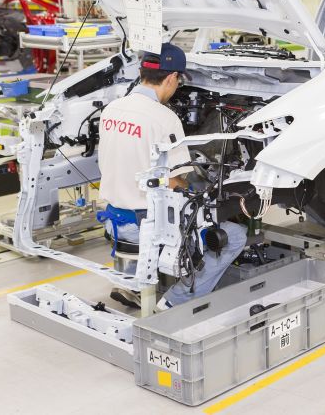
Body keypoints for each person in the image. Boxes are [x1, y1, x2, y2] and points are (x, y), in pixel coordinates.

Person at [97, 43, 247, 310]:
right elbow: (178, 182)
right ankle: (174, 302)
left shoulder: (112, 109)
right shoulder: (164, 119)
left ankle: (133, 283)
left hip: (113, 222)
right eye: (178, 81)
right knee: (234, 235)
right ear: (171, 78)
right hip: (148, 228)